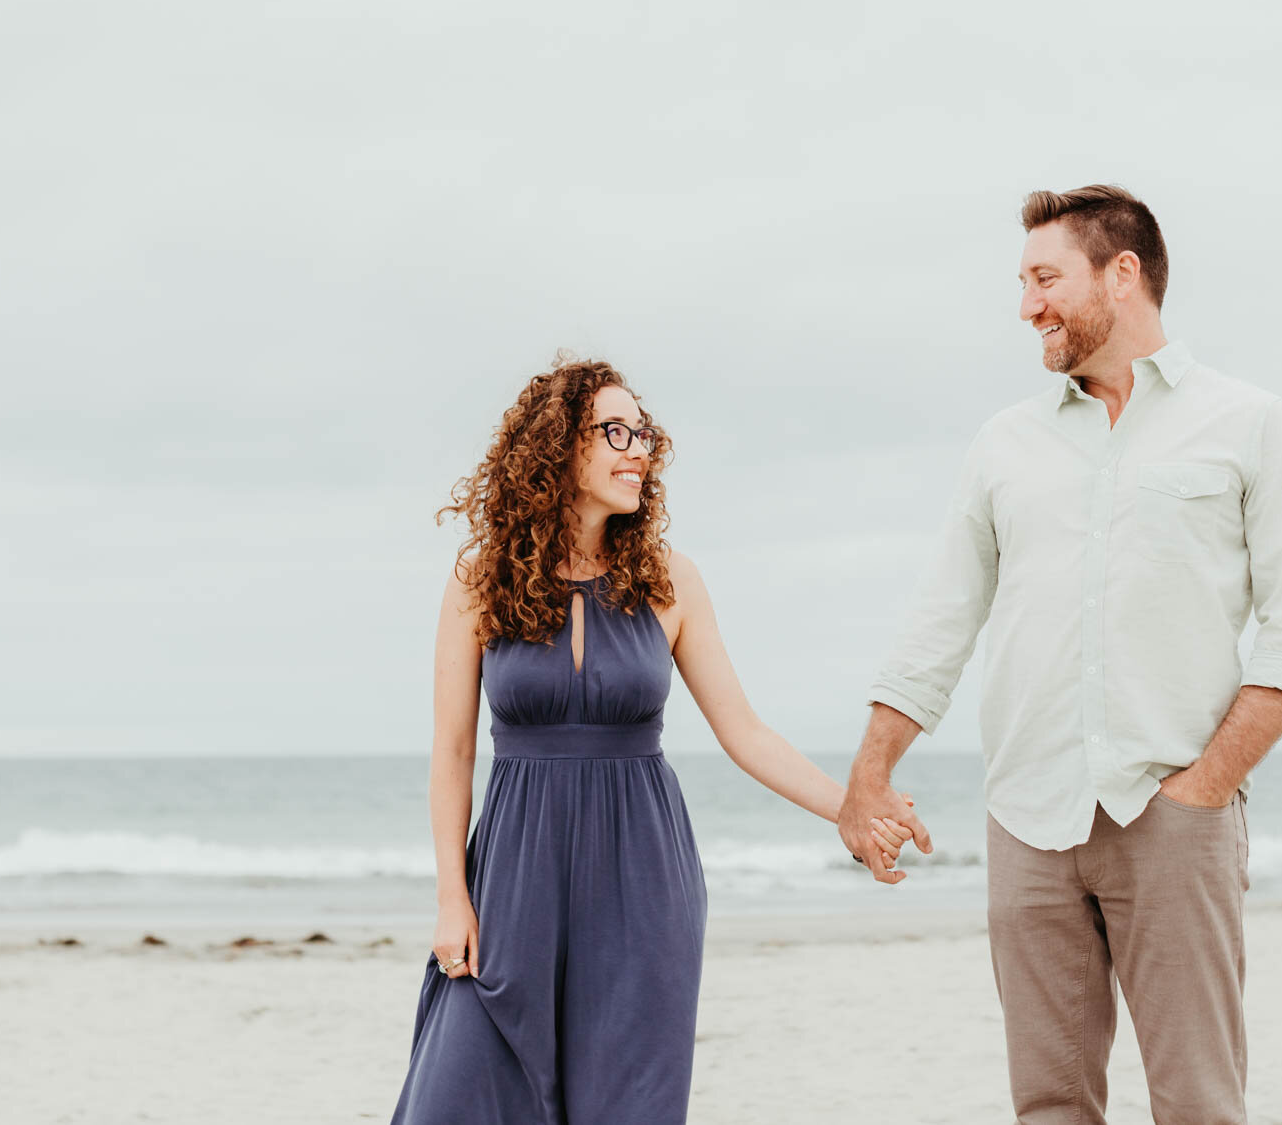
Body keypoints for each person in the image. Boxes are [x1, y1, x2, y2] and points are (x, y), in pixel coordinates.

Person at [844, 185, 1282, 1125]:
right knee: (1049, 1106)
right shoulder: (1005, 443)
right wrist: (871, 770)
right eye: (1021, 282)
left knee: (1198, 1105)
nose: (1026, 305)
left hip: (1173, 816)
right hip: (1027, 819)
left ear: (1123, 273)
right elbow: (941, 621)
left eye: (1044, 278)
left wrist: (1203, 789)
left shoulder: (1250, 423)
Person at [389, 355, 908, 1124]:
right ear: (557, 447)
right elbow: (454, 752)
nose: (639, 448)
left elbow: (746, 732)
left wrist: (851, 810)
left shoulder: (670, 579)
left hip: (641, 884)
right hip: (512, 882)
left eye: (645, 432)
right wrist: (451, 898)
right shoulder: (481, 579)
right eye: (615, 430)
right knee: (458, 1095)